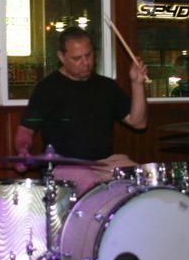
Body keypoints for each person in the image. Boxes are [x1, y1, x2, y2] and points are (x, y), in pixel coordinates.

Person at [13, 26, 148, 195]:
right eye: (77, 58)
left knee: (141, 180)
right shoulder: (47, 89)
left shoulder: (106, 86)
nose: (86, 62)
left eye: (88, 55)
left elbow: (138, 123)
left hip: (104, 163)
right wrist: (23, 151)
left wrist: (137, 84)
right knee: (92, 187)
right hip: (66, 167)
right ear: (61, 57)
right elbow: (26, 130)